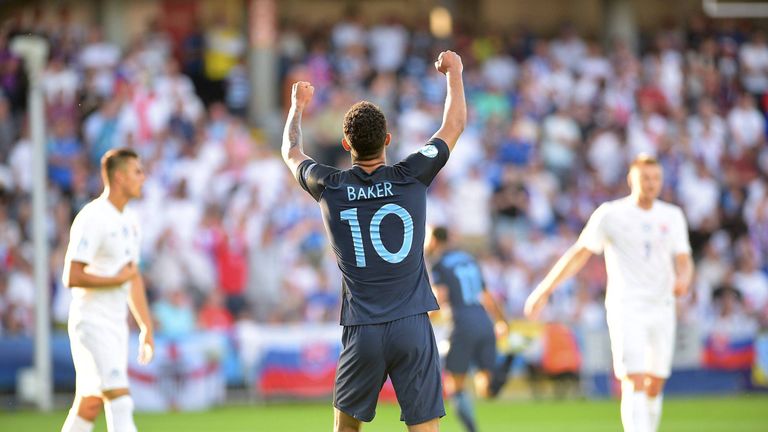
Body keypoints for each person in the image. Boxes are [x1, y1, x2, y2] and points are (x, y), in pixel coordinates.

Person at [280, 51, 465, 432]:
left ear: (346, 144)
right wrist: (455, 72)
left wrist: (296, 107)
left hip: (362, 327)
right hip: (412, 323)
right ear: (388, 140)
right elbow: (454, 124)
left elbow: (291, 152)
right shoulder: (412, 174)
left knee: (345, 429)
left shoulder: (329, 185)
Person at [524, 154, 694, 432]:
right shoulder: (611, 214)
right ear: (632, 179)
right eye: (645, 178)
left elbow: (684, 258)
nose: (651, 184)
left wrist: (684, 279)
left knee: (655, 383)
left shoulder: (672, 216)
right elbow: (579, 253)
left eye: (655, 178)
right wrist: (545, 289)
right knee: (633, 379)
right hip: (626, 305)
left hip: (662, 306)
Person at [61, 148, 154, 432]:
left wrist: (146, 327)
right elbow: (72, 275)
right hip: (91, 321)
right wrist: (115, 280)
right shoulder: (93, 216)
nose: (143, 177)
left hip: (115, 324)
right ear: (119, 176)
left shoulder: (130, 221)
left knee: (89, 402)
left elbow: (132, 277)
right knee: (120, 400)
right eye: (137, 171)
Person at [425, 226, 507, 432]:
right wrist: (501, 320)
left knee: (455, 385)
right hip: (483, 321)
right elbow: (487, 294)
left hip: (461, 325)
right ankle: (508, 361)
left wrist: (422, 318)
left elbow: (440, 298)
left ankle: (472, 430)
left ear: (433, 240)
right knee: (487, 390)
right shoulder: (468, 259)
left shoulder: (439, 263)